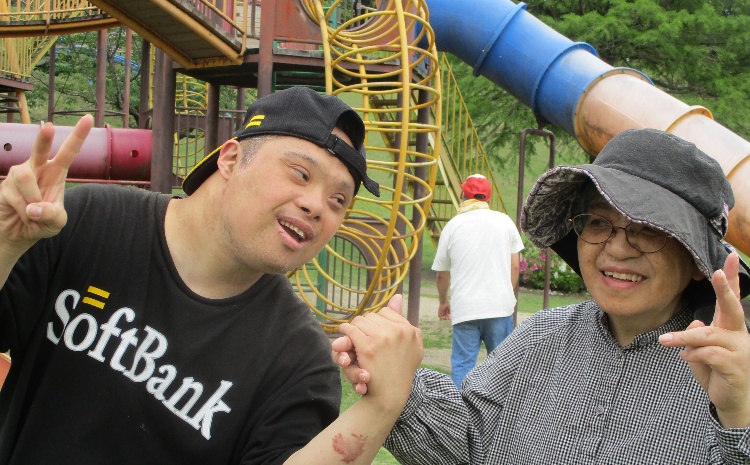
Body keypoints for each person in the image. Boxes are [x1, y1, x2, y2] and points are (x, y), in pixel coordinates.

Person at [0, 86, 422, 464]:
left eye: (338, 200)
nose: (316, 206)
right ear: (231, 159)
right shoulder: (92, 222)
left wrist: (381, 406)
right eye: (300, 173)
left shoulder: (299, 359)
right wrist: (6, 243)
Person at [335, 128, 750, 463]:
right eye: (598, 222)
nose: (617, 248)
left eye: (649, 229)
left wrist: (737, 416)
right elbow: (470, 444)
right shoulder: (541, 337)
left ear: (698, 260)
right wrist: (398, 382)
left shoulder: (731, 374)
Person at [432, 173, 523, 386]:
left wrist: (443, 301)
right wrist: (505, 294)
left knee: (463, 364)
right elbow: (515, 266)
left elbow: (442, 274)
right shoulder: (505, 222)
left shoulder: (452, 226)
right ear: (488, 198)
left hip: (465, 308)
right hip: (499, 307)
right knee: (501, 367)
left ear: (462, 195)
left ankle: (460, 406)